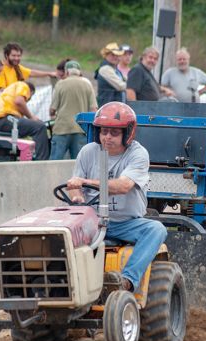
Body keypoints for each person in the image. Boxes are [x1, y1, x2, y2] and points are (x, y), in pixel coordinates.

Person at [67, 102, 167, 292]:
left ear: (128, 133)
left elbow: (123, 186)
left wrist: (85, 183)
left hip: (125, 224)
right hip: (92, 221)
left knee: (156, 229)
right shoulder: (88, 152)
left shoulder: (138, 154)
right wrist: (77, 197)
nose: (107, 137)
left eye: (114, 133)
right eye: (104, 132)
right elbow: (74, 184)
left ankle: (126, 281)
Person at [49, 60, 98, 160]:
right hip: (80, 129)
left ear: (66, 72)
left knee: (54, 162)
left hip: (61, 129)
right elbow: (94, 109)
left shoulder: (60, 84)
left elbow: (52, 109)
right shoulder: (87, 85)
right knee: (79, 163)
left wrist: (53, 114)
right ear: (79, 72)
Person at [0, 81, 49, 160]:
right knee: (40, 127)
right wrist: (31, 117)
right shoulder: (23, 86)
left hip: (2, 121)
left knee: (33, 125)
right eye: (28, 98)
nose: (27, 100)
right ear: (30, 91)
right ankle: (42, 161)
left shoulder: (12, 89)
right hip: (5, 119)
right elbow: (19, 101)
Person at [95, 42, 126, 107]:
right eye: (112, 55)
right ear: (106, 56)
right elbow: (121, 86)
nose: (115, 57)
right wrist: (133, 86)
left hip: (113, 106)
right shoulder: (105, 69)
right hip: (107, 107)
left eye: (117, 55)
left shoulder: (116, 70)